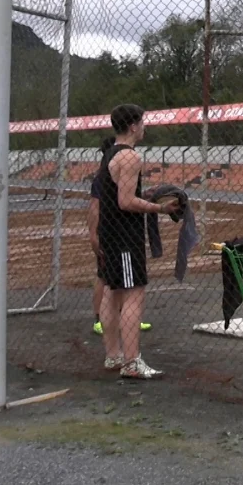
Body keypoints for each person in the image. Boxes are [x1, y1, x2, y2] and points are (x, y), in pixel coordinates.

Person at [96, 104, 179, 379]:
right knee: (134, 293)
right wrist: (160, 209)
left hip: (109, 232)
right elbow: (126, 201)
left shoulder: (110, 153)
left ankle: (114, 356)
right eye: (142, 122)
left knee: (112, 292)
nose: (145, 126)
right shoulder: (130, 156)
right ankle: (132, 362)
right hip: (124, 235)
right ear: (133, 126)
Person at [88, 135, 150, 336]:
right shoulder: (105, 174)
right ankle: (102, 319)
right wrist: (93, 233)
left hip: (112, 232)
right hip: (115, 234)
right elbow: (95, 207)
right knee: (107, 279)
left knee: (114, 282)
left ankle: (124, 317)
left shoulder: (111, 170)